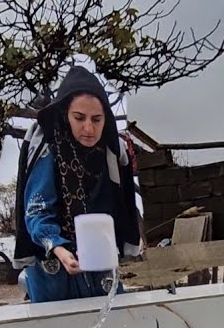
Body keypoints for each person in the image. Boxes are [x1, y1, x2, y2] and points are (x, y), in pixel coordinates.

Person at [12, 65, 143, 303]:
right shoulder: (49, 150)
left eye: (97, 119)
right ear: (65, 114)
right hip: (54, 265)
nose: (89, 128)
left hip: (98, 259)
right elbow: (37, 211)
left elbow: (122, 206)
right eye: (79, 118)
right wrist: (60, 249)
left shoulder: (111, 153)